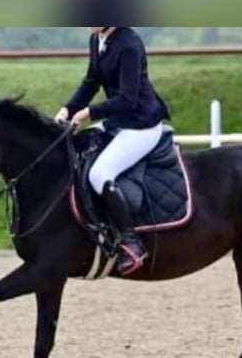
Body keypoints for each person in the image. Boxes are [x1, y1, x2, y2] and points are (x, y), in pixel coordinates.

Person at [56, 27, 171, 276]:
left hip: (141, 125)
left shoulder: (129, 44)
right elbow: (91, 82)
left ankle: (131, 242)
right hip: (118, 122)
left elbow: (127, 100)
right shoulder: (97, 38)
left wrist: (88, 113)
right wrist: (67, 109)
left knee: (99, 174)